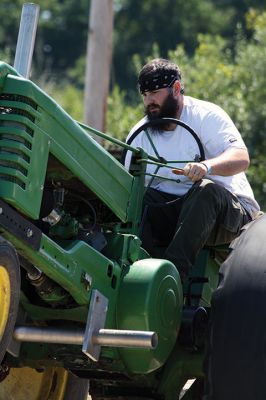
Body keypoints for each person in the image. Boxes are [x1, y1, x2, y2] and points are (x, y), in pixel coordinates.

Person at [124, 58, 260, 280]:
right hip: (176, 215)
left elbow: (241, 158)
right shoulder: (140, 134)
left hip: (229, 215)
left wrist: (206, 167)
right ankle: (137, 273)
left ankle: (171, 278)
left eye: (156, 92)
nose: (149, 101)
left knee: (205, 190)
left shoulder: (206, 115)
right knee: (137, 199)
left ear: (176, 88)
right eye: (145, 94)